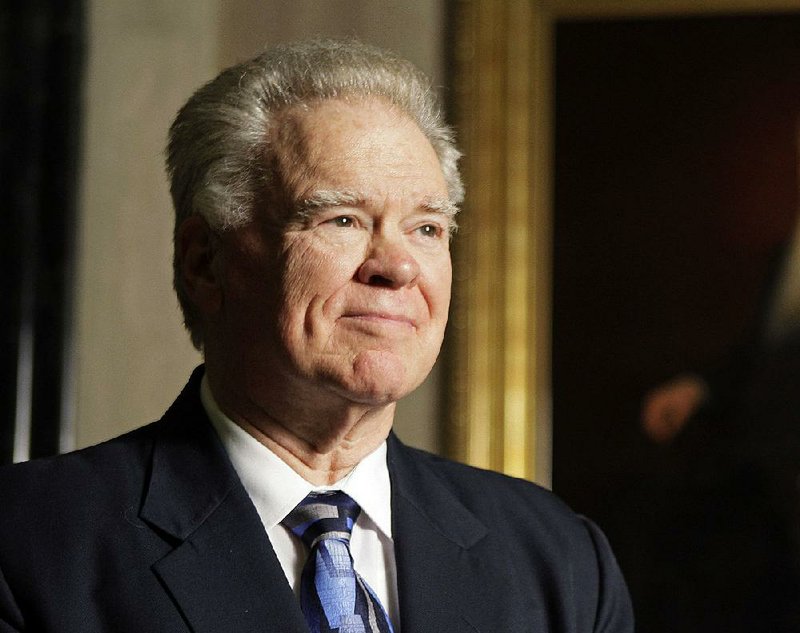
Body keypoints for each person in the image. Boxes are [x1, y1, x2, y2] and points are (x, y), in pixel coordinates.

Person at [0, 39, 633, 632]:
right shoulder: (27, 545)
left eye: (427, 229)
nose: (398, 266)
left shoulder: (562, 562)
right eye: (342, 218)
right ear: (205, 262)